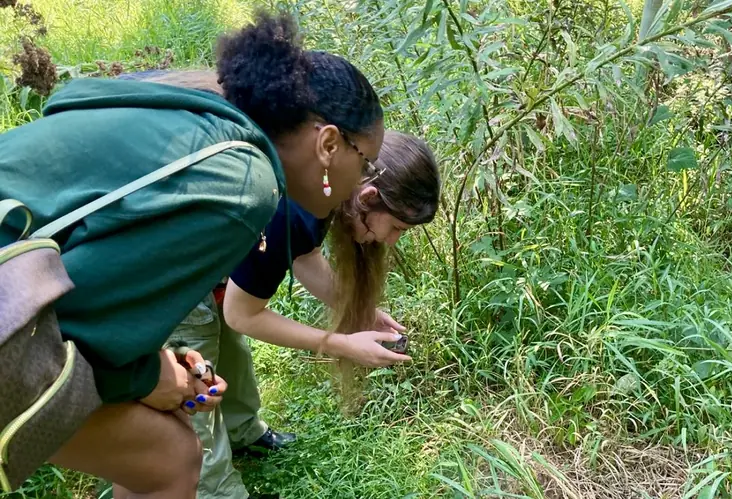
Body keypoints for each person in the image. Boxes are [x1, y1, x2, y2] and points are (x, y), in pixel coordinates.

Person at [0, 10, 383, 499]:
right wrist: (150, 378)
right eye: (366, 162)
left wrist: (163, 365)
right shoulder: (244, 183)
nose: (364, 180)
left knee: (162, 450)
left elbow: (98, 279)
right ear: (328, 143)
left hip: (17, 275)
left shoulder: (202, 115)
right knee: (173, 456)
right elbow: (80, 328)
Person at [163, 130, 440, 499]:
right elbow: (243, 315)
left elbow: (304, 255)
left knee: (230, 352)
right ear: (368, 196)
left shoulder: (325, 184)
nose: (391, 241)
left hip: (208, 250)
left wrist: (357, 310)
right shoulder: (288, 207)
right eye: (396, 228)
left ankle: (243, 431)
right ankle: (215, 487)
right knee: (194, 375)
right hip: (171, 265)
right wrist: (341, 344)